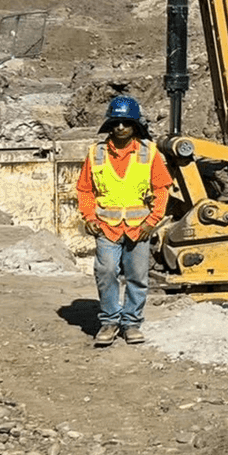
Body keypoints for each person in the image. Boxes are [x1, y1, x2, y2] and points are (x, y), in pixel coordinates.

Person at [76, 95, 170, 347]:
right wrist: (88, 216)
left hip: (139, 228)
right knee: (106, 271)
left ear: (134, 126)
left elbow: (162, 188)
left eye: (125, 123)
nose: (120, 128)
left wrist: (152, 221)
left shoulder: (148, 153)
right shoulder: (96, 154)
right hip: (107, 227)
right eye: (116, 122)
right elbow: (85, 190)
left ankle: (131, 323)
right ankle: (109, 321)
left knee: (137, 276)